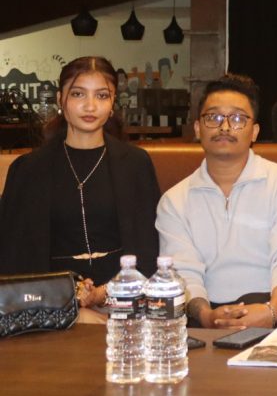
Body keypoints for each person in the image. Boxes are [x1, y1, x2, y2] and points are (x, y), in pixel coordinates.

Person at [0, 56, 160, 316]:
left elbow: (149, 248)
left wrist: (104, 293)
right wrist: (70, 296)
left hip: (126, 298)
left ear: (112, 102)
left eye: (101, 95)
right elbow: (15, 255)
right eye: (78, 94)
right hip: (50, 302)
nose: (90, 105)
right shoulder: (28, 169)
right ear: (60, 99)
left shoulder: (136, 164)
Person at [156, 73, 277, 329]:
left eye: (238, 118)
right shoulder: (173, 201)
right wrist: (206, 316)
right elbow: (183, 271)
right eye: (213, 117)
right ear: (198, 128)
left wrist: (272, 311)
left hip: (273, 303)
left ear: (255, 132)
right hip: (206, 310)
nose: (225, 127)